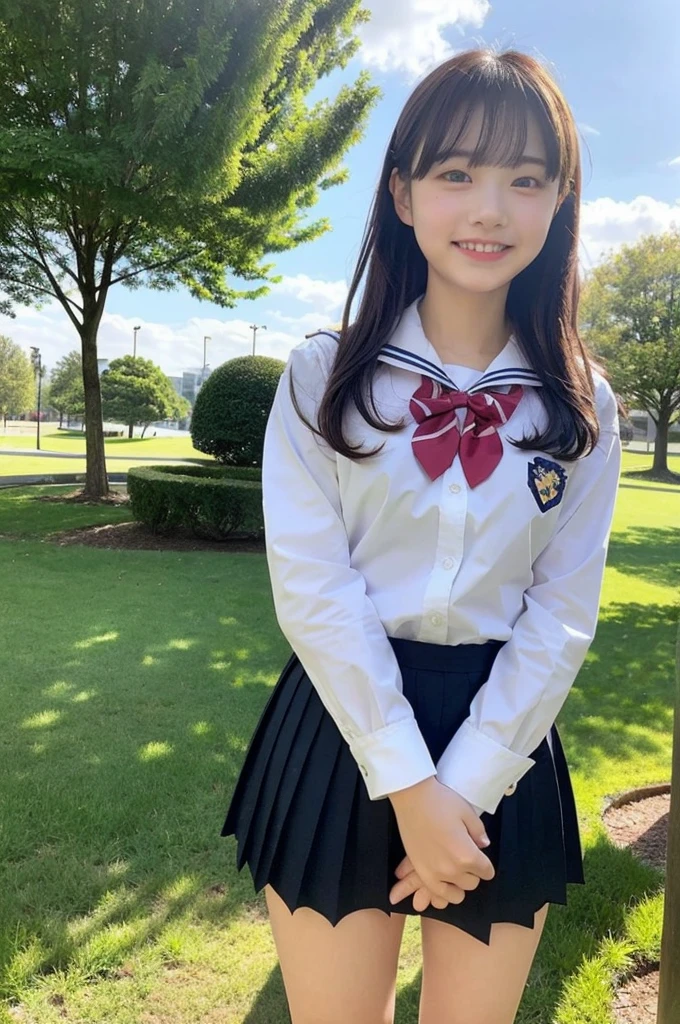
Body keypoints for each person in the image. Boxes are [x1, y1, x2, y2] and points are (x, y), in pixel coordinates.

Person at [220, 46, 623, 1024]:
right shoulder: (323, 377)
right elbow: (314, 592)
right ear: (401, 193)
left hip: (505, 736)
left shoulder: (581, 405)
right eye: (455, 173)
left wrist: (468, 784)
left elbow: (562, 612)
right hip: (340, 725)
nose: (488, 208)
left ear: (556, 202)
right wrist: (407, 784)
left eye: (524, 180)